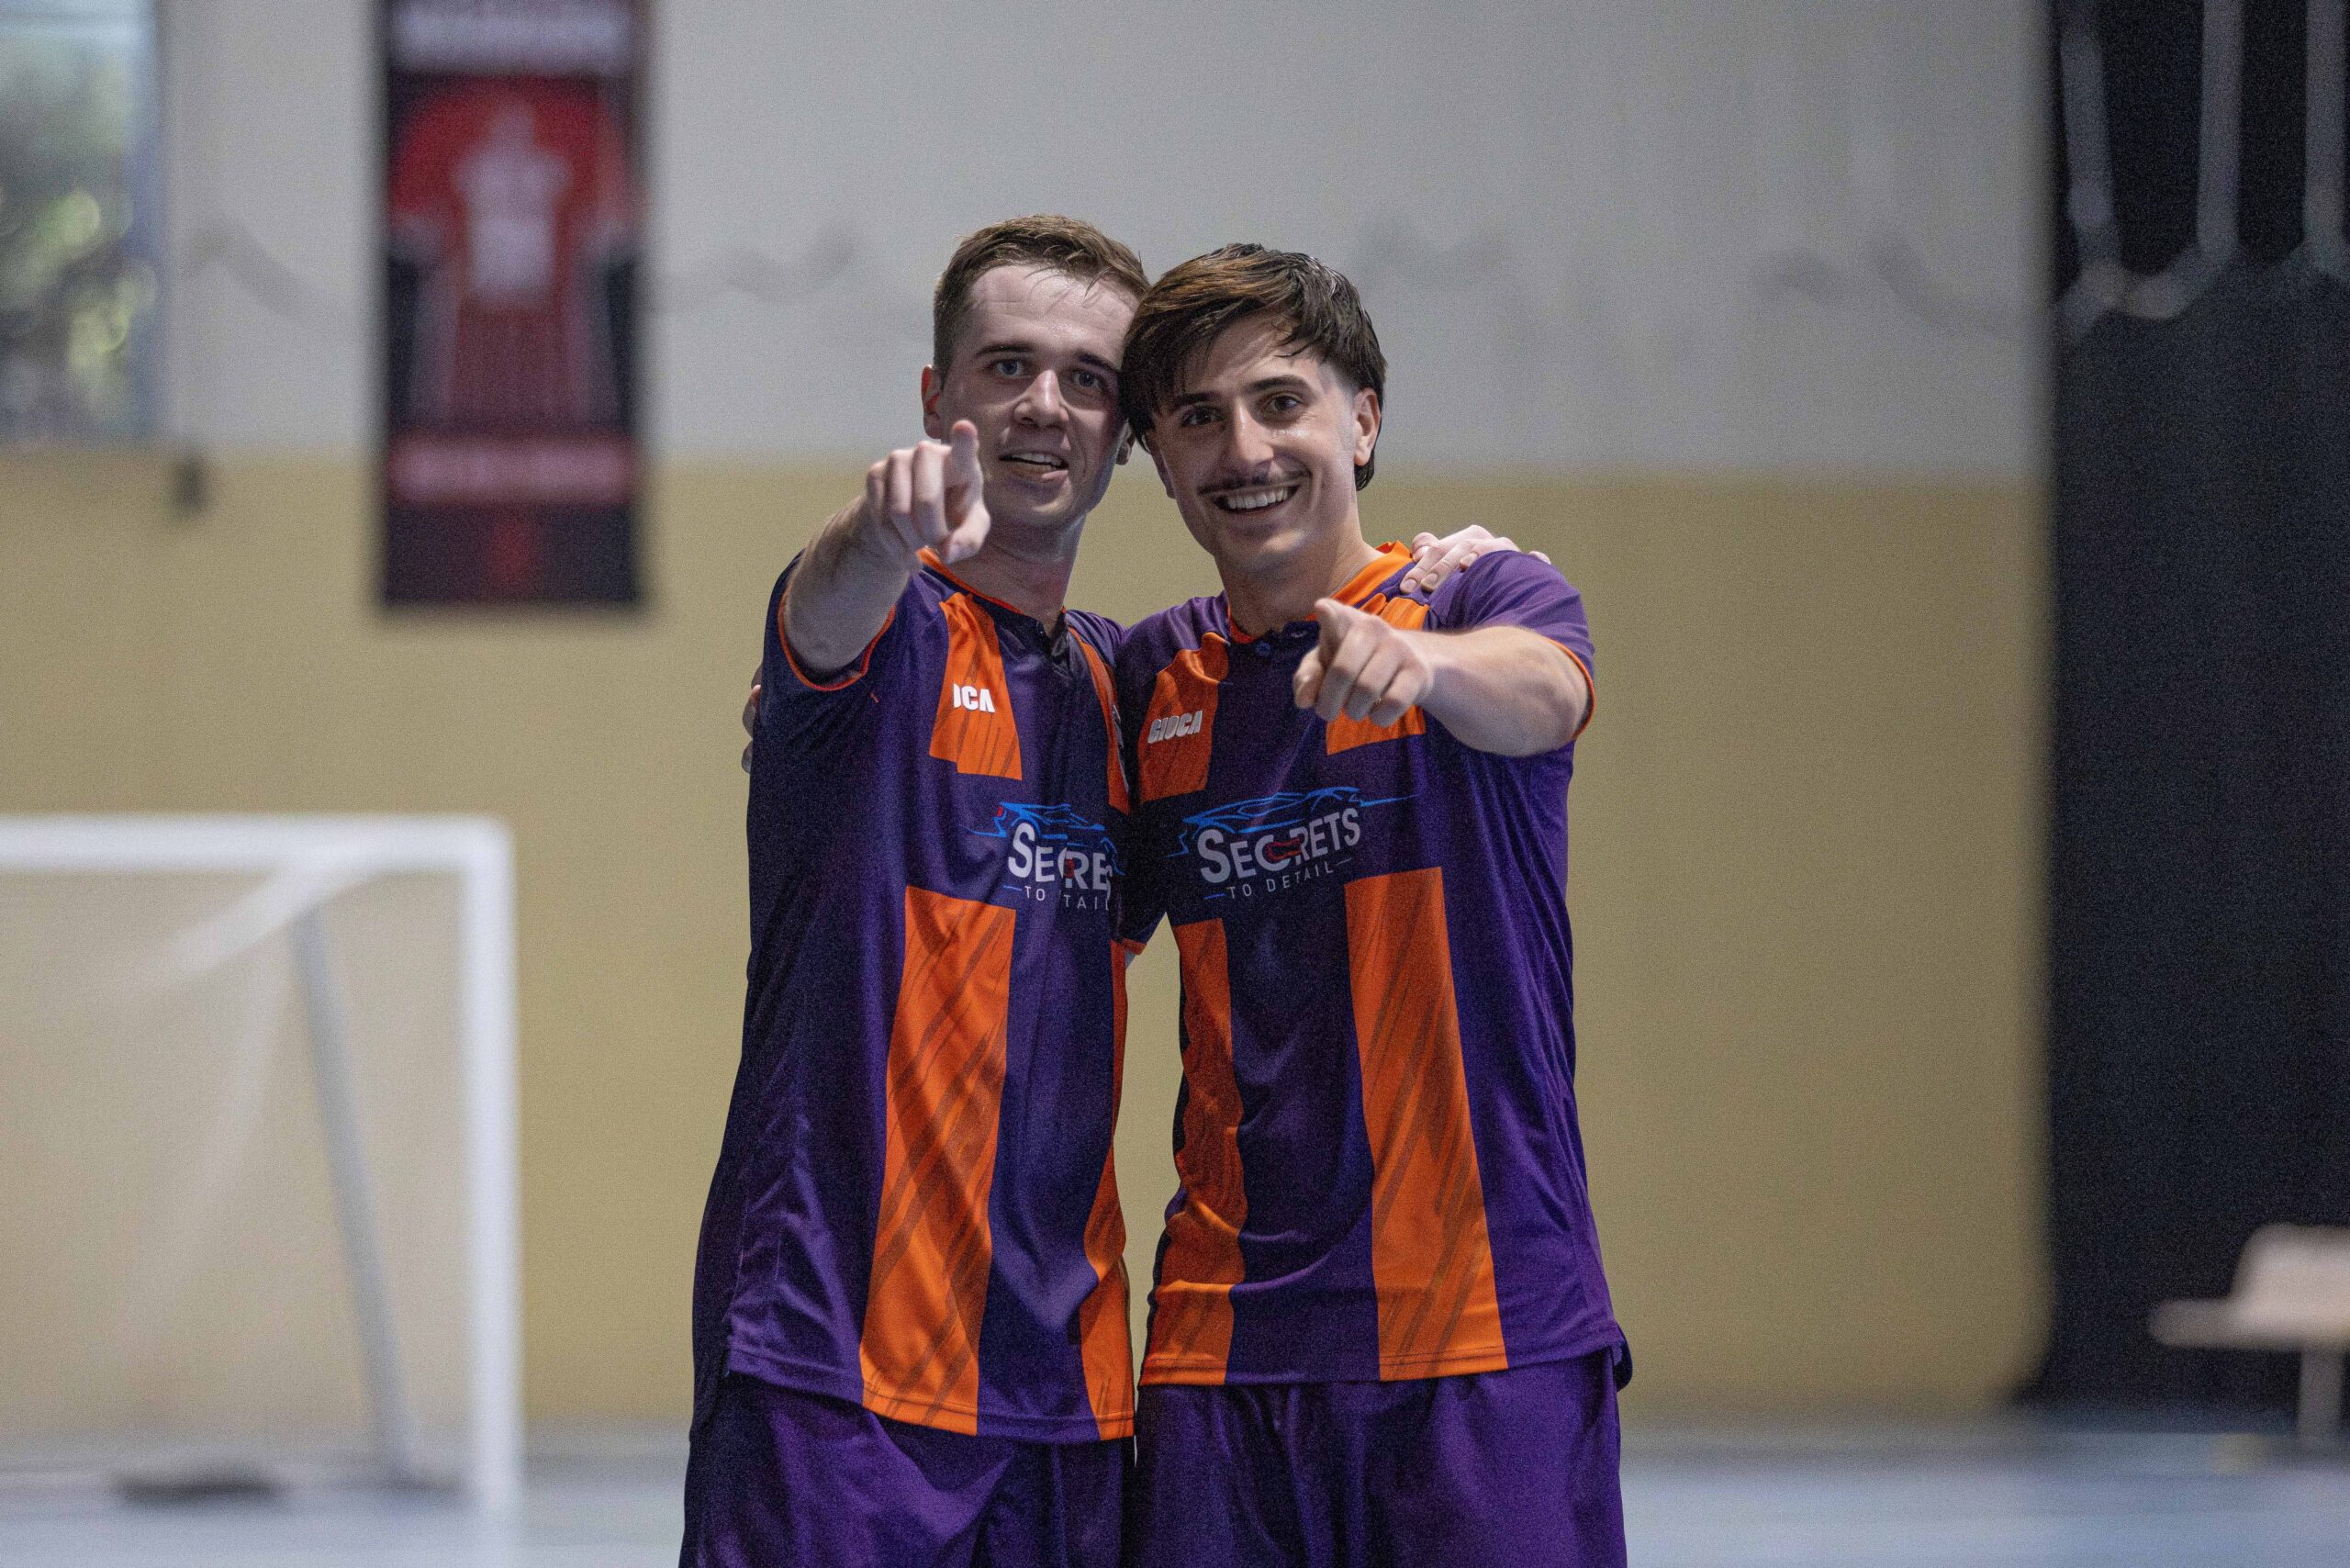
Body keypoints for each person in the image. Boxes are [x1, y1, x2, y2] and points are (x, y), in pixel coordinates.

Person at [696, 216, 1531, 1568]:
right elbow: (824, 608)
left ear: (1127, 433)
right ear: (936, 400)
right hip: (834, 1373)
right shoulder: (884, 636)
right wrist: (875, 525)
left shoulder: (1120, 688)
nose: (1044, 404)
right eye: (1005, 367)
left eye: (1087, 378)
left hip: (1069, 1407)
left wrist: (1447, 592)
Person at [1112, 244, 1628, 1568]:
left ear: (1364, 418)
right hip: (1220, 1350)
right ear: (1159, 461)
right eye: (1197, 417)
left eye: (1282, 401)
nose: (1246, 448)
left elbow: (1546, 688)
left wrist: (1423, 661)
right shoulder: (1148, 681)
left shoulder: (1479, 599)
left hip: (1482, 1330)